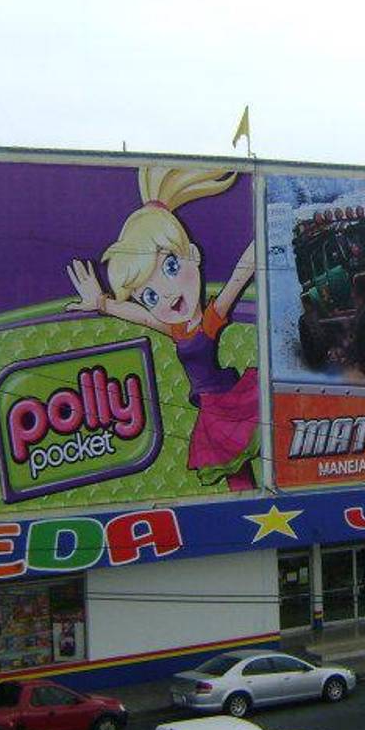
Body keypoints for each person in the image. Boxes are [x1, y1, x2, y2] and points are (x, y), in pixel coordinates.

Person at [66, 167, 259, 490]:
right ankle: (246, 503)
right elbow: (143, 318)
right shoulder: (178, 330)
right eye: (150, 296)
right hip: (210, 409)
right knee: (232, 468)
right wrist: (102, 303)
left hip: (228, 401)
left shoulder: (208, 321)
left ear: (192, 255)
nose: (167, 294)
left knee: (245, 454)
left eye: (171, 267)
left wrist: (266, 236)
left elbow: (238, 279)